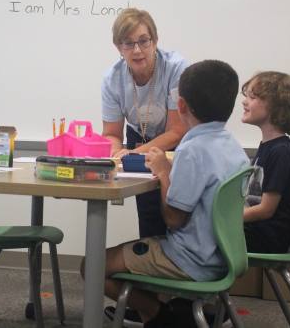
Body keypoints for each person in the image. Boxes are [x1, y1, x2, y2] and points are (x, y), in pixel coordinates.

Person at [85, 60, 249, 328]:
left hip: (190, 260)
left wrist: (163, 173)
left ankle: (158, 316)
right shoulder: (232, 146)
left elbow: (173, 218)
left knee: (92, 265)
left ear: (181, 105)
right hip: (223, 256)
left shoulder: (191, 150)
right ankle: (168, 314)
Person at [101, 7, 188, 240]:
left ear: (155, 40)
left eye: (143, 41)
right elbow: (111, 133)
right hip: (138, 137)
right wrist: (116, 153)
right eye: (128, 44)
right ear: (118, 47)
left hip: (174, 143)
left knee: (175, 209)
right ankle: (148, 265)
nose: (137, 50)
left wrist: (133, 154)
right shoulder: (112, 78)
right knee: (148, 212)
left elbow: (178, 130)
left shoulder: (176, 68)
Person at [241, 72, 290, 253]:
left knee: (205, 234)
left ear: (275, 107)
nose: (244, 102)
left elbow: (265, 210)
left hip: (269, 237)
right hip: (260, 231)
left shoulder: (281, 151)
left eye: (252, 97)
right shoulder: (267, 146)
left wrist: (228, 219)